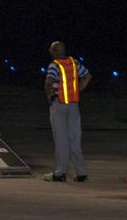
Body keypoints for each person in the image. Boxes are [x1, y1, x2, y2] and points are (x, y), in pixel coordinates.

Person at [43, 41, 90, 183]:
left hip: (59, 105)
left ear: (56, 51)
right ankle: (82, 172)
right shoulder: (74, 63)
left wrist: (49, 96)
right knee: (75, 139)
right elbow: (88, 76)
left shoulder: (54, 65)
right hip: (74, 105)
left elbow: (48, 82)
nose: (50, 52)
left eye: (51, 50)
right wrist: (78, 90)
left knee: (61, 140)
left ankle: (60, 173)